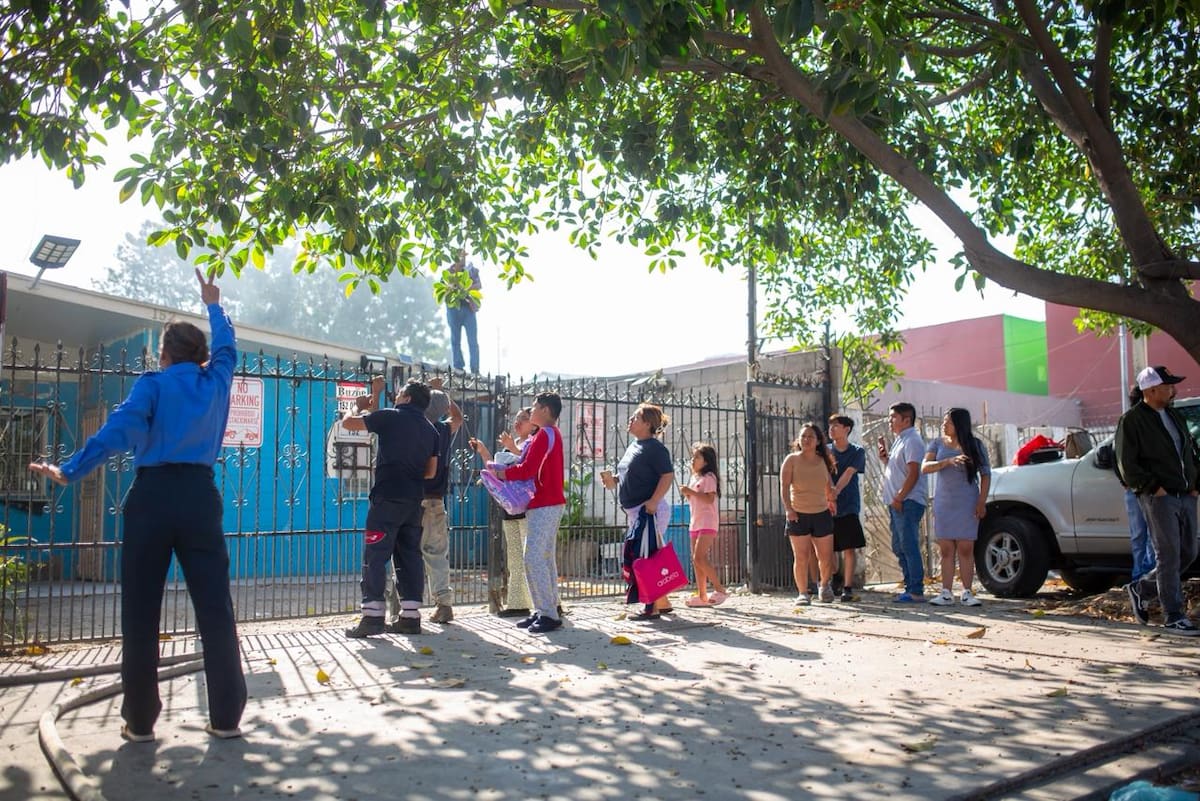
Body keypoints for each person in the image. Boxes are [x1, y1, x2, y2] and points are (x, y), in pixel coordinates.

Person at [27, 269, 247, 742]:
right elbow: (229, 345)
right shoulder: (217, 381)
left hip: (152, 498)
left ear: (165, 355)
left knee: (141, 612)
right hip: (200, 498)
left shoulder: (153, 385)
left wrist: (70, 470)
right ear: (202, 355)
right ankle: (226, 718)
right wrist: (213, 303)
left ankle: (141, 722)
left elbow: (116, 433)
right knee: (215, 609)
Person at [342, 377, 439, 638]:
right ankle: (410, 618)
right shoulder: (431, 430)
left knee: (375, 555)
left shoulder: (391, 416)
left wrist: (357, 406)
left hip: (387, 498)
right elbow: (430, 472)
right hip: (413, 501)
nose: (396, 397)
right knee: (409, 557)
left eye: (399, 394)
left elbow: (348, 424)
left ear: (407, 397)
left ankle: (373, 617)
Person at [1118, 366, 1200, 635]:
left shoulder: (1174, 415)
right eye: (1168, 386)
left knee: (1188, 551)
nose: (1173, 390)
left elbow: (1189, 450)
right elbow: (1126, 464)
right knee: (1169, 555)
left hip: (1185, 494)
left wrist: (1196, 483)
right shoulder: (1132, 420)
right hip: (1159, 497)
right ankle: (1173, 615)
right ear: (1151, 390)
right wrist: (1154, 487)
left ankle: (1141, 589)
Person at [492, 392, 566, 633]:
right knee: (543, 557)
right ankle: (547, 610)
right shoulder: (548, 433)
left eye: (534, 407)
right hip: (547, 501)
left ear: (545, 410)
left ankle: (548, 613)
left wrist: (502, 474)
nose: (531, 411)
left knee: (532, 557)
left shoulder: (544, 433)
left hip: (545, 502)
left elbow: (527, 469)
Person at [602, 403, 676, 620]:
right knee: (647, 555)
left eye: (635, 417)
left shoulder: (655, 448)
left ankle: (650, 607)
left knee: (645, 557)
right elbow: (629, 474)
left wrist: (653, 501)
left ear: (647, 424)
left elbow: (667, 475)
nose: (630, 420)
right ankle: (662, 603)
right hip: (637, 512)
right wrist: (613, 480)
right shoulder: (635, 445)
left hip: (649, 511)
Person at [469, 407, 537, 617]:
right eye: (516, 419)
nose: (518, 423)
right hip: (510, 510)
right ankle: (518, 604)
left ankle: (548, 605)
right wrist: (482, 451)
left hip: (529, 510)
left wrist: (513, 449)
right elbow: (494, 470)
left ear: (534, 424)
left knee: (532, 559)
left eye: (524, 419)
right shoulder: (510, 449)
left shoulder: (534, 445)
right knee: (514, 559)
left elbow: (529, 465)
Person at [922, 408, 991, 607]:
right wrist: (947, 462)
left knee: (966, 547)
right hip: (944, 502)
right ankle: (946, 592)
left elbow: (986, 474)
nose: (944, 425)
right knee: (945, 549)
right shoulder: (937, 443)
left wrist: (981, 501)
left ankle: (967, 591)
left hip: (967, 501)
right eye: (944, 421)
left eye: (949, 422)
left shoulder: (975, 445)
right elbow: (924, 467)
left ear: (960, 424)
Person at [418, 379, 464, 625]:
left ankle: (403, 607)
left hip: (412, 498)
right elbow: (458, 418)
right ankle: (443, 603)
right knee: (436, 553)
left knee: (405, 554)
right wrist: (446, 397)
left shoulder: (414, 427)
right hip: (435, 500)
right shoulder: (443, 430)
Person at [779, 422, 838, 604]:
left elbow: (827, 485)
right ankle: (803, 593)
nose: (806, 440)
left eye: (810, 437)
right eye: (803, 436)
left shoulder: (823, 460)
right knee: (801, 556)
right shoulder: (791, 460)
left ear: (818, 440)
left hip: (821, 513)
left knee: (825, 557)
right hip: (798, 514)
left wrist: (831, 499)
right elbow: (784, 486)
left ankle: (824, 585)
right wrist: (789, 509)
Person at [878, 402, 930, 602]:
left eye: (893, 417)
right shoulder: (901, 439)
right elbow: (899, 469)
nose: (890, 421)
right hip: (897, 502)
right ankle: (910, 586)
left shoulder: (913, 440)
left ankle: (916, 590)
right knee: (899, 546)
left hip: (907, 501)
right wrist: (885, 459)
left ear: (906, 420)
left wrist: (900, 496)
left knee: (908, 545)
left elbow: (914, 473)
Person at [679, 442, 728, 607]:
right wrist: (688, 493)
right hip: (695, 521)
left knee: (699, 557)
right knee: (696, 560)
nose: (693, 460)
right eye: (693, 457)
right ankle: (702, 596)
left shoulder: (709, 478)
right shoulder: (694, 478)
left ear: (706, 461)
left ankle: (720, 589)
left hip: (707, 521)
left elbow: (709, 498)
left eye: (697, 457)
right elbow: (693, 499)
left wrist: (690, 492)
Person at [828, 415, 866, 603]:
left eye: (836, 426)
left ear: (847, 429)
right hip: (827, 505)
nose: (832, 429)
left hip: (849, 504)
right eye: (831, 426)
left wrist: (836, 491)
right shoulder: (825, 451)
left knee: (849, 548)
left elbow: (849, 473)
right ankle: (834, 578)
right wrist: (829, 494)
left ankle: (848, 587)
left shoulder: (857, 451)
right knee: (830, 548)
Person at [1119, 385, 1155, 583]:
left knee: (1150, 536)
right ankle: (1140, 577)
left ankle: (1148, 577)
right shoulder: (1130, 421)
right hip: (1136, 489)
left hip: (1151, 488)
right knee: (1141, 535)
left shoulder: (1159, 420)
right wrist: (1126, 480)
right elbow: (1119, 457)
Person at [445, 250, 480, 374]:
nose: (461, 259)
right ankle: (458, 366)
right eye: (459, 256)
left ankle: (475, 369)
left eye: (463, 256)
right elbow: (445, 289)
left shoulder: (472, 270)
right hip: (453, 309)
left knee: (472, 340)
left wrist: (464, 287)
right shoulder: (448, 273)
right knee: (455, 339)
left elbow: (478, 285)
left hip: (469, 309)